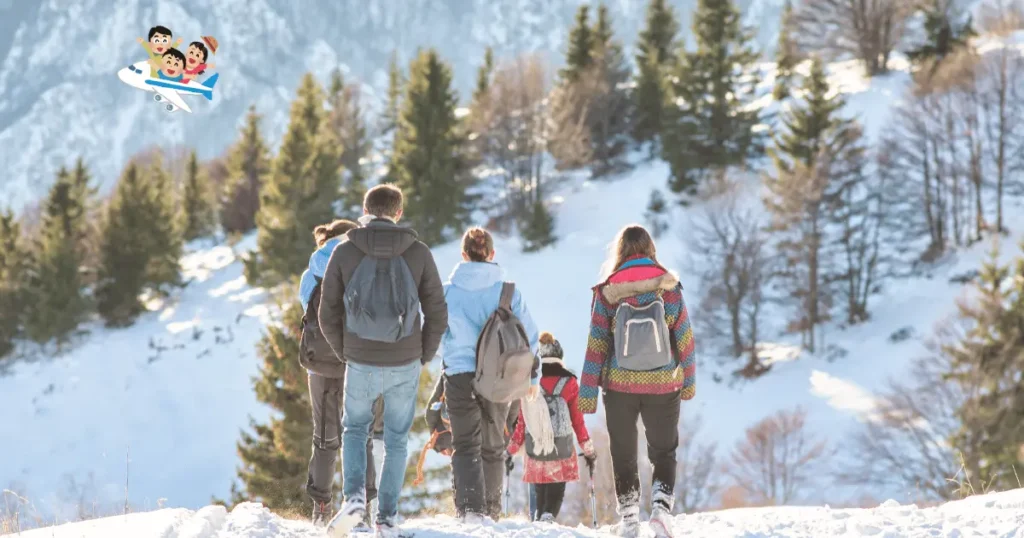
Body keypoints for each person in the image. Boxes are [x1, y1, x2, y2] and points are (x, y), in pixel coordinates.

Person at [319, 184, 448, 538]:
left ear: (365, 209)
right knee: (396, 439)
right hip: (404, 360)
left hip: (358, 358)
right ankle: (387, 518)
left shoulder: (345, 251)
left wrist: (344, 350)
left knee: (355, 429)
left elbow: (325, 310)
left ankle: (355, 498)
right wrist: (423, 353)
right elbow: (437, 310)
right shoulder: (418, 252)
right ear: (398, 212)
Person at [578, 225, 696, 538]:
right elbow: (684, 336)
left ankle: (630, 518)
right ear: (649, 248)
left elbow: (597, 344)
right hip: (663, 383)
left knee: (623, 451)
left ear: (620, 251)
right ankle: (660, 510)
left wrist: (587, 393)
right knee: (664, 450)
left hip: (619, 387)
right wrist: (689, 380)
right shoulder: (667, 286)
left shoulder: (608, 290)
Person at [440, 227, 540, 521]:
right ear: (492, 255)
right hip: (499, 378)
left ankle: (470, 512)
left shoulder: (447, 292)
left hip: (458, 375)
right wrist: (532, 379)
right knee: (493, 447)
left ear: (463, 255)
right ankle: (492, 513)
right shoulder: (508, 291)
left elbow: (434, 335)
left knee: (465, 445)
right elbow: (529, 337)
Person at [297, 219, 383, 528]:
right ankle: (363, 506)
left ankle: (321, 507)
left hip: (320, 362)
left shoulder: (312, 270)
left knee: (324, 437)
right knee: (360, 435)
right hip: (357, 360)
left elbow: (305, 308)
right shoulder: (364, 263)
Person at [506, 332, 595, 523]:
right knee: (555, 490)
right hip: (560, 449)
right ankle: (547, 517)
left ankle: (540, 521)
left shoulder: (529, 384)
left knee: (539, 491)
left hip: (535, 447)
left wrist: (510, 451)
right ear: (559, 357)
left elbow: (522, 421)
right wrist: (588, 449)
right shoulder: (569, 383)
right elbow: (577, 421)